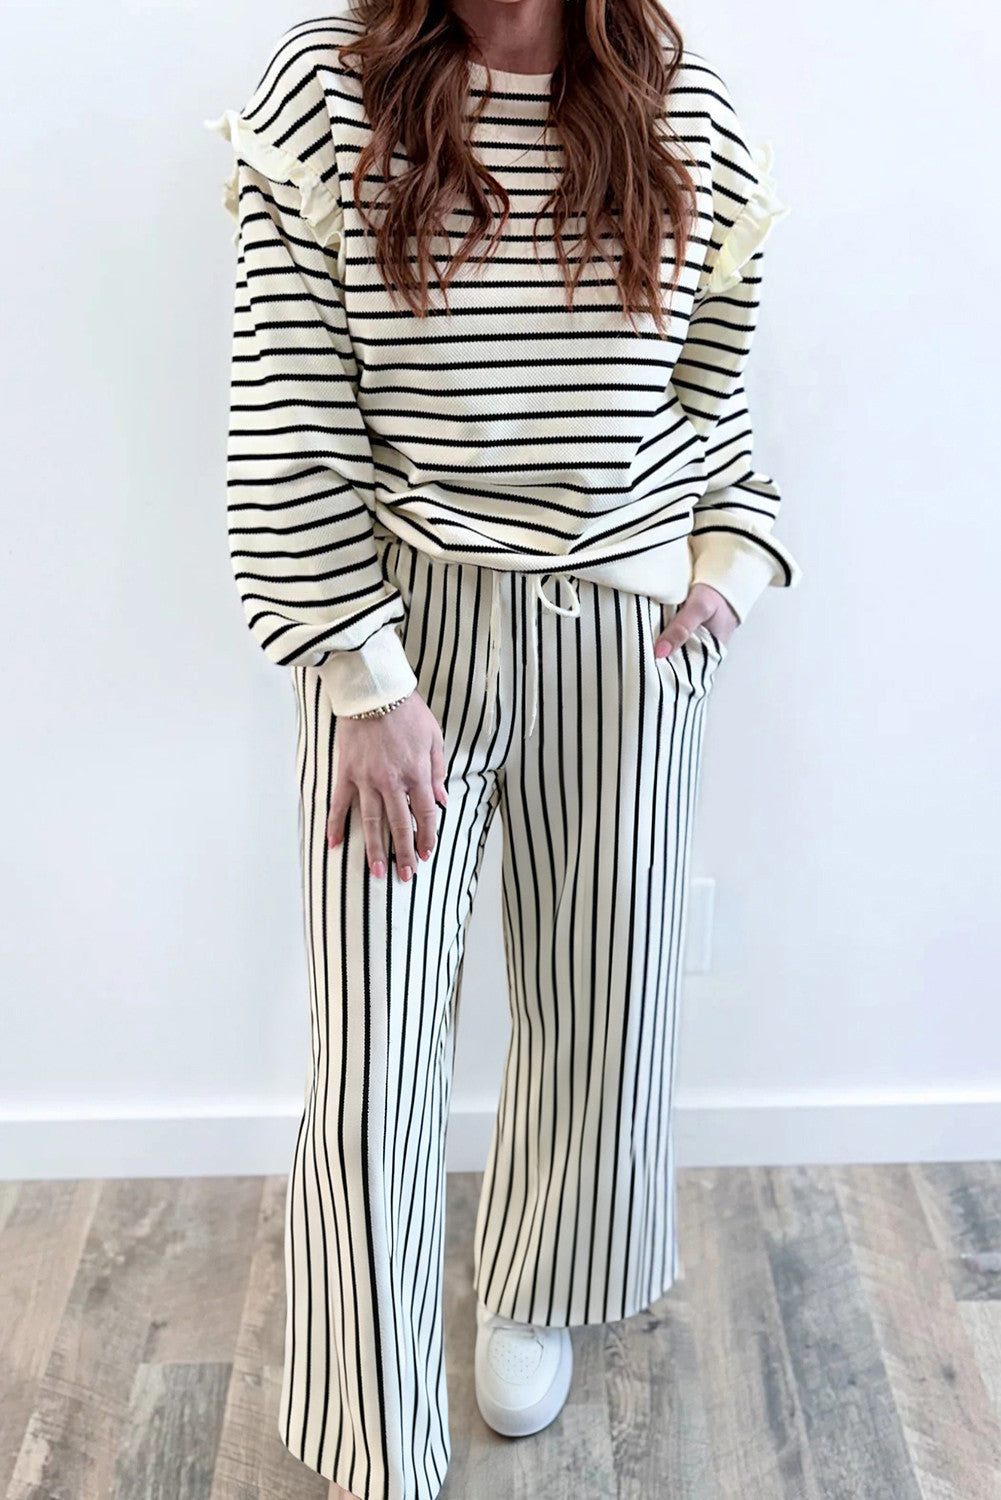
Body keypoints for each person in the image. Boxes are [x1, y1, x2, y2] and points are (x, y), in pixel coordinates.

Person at [205, 0, 801, 1494]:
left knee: (605, 1006)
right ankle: (376, 1427)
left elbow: (716, 404)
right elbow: (290, 416)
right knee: (373, 1054)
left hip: (624, 637)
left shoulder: (686, 112)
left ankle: (535, 1284)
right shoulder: (326, 89)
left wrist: (728, 575)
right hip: (403, 634)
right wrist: (362, 683)